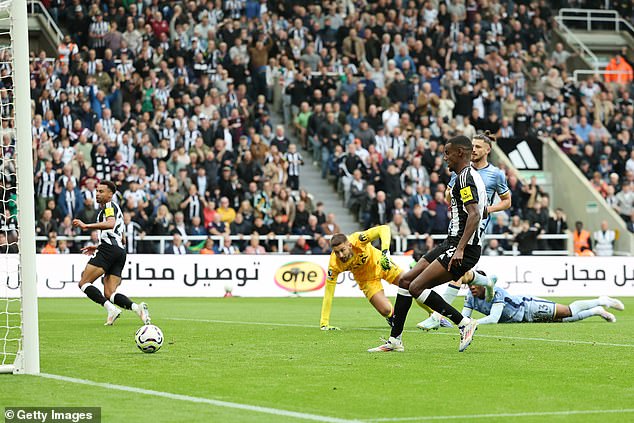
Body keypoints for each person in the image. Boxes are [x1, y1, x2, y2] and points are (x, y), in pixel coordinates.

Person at [368, 135, 485, 353]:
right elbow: (480, 211)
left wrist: (460, 248)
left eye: (448, 153)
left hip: (462, 248)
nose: (445, 158)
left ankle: (464, 323)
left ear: (460, 153)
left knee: (416, 287)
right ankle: (395, 341)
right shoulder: (469, 176)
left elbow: (475, 215)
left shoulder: (465, 178)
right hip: (451, 243)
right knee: (405, 281)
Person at [418, 131, 510, 331]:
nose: (475, 150)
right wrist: (451, 194)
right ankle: (486, 281)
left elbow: (507, 201)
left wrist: (488, 209)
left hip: (476, 228)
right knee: (461, 273)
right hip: (457, 228)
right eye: (473, 146)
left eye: (478, 146)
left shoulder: (495, 174)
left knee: (457, 272)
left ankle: (437, 316)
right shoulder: (460, 172)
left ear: (488, 149)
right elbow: (448, 194)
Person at [72, 181, 150, 326]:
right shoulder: (116, 209)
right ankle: (138, 309)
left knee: (84, 283)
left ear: (110, 194)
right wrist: (97, 247)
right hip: (119, 252)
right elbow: (122, 238)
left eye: (101, 191)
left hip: (109, 250)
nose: (97, 194)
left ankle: (111, 309)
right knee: (109, 293)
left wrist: (86, 226)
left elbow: (110, 224)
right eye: (97, 191)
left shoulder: (109, 206)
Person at [319, 224, 403, 330]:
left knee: (411, 285)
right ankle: (393, 319)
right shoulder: (334, 265)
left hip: (381, 264)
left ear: (349, 245)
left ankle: (431, 313)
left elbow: (384, 228)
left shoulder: (358, 239)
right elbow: (329, 292)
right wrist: (324, 323)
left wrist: (385, 251)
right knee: (385, 310)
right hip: (367, 280)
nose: (340, 255)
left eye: (342, 250)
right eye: (336, 252)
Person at [463, 283, 624, 324]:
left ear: (484, 284)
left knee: (568, 311)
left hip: (529, 306)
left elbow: (493, 318)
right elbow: (463, 318)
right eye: (470, 285)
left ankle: (601, 300)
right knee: (567, 319)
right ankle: (596, 311)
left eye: (475, 284)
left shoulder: (496, 292)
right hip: (523, 319)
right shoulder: (470, 296)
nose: (472, 288)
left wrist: (473, 323)